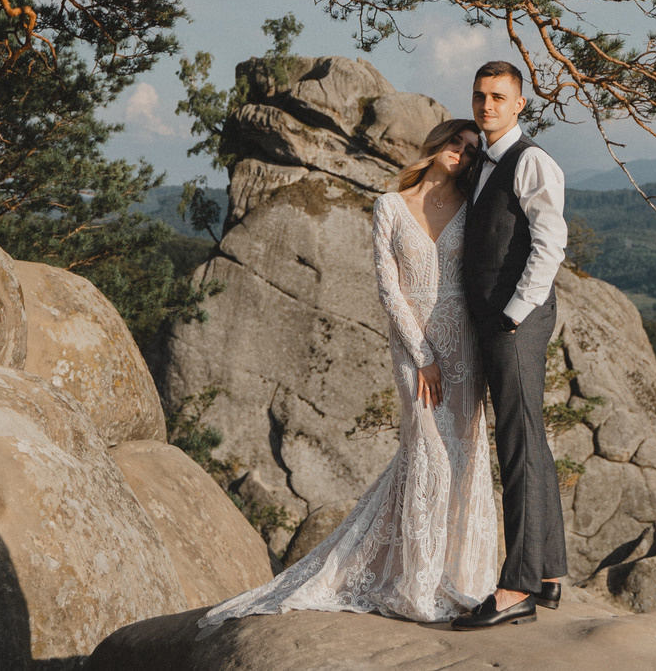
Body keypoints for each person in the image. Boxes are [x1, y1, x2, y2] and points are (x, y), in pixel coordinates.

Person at [198, 117, 501, 629]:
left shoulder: (471, 208)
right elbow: (388, 289)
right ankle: (418, 583)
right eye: (457, 142)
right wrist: (423, 355)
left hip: (463, 342)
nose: (462, 153)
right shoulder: (390, 206)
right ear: (437, 143)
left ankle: (460, 576)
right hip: (414, 346)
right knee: (427, 451)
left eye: (472, 151)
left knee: (463, 456)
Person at [452, 59, 569, 631]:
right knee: (530, 441)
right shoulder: (483, 161)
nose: (487, 105)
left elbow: (550, 244)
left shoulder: (531, 161)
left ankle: (516, 587)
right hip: (500, 320)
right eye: (480, 95)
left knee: (516, 447)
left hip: (515, 324)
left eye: (499, 96)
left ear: (520, 104)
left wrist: (513, 315)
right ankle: (547, 572)